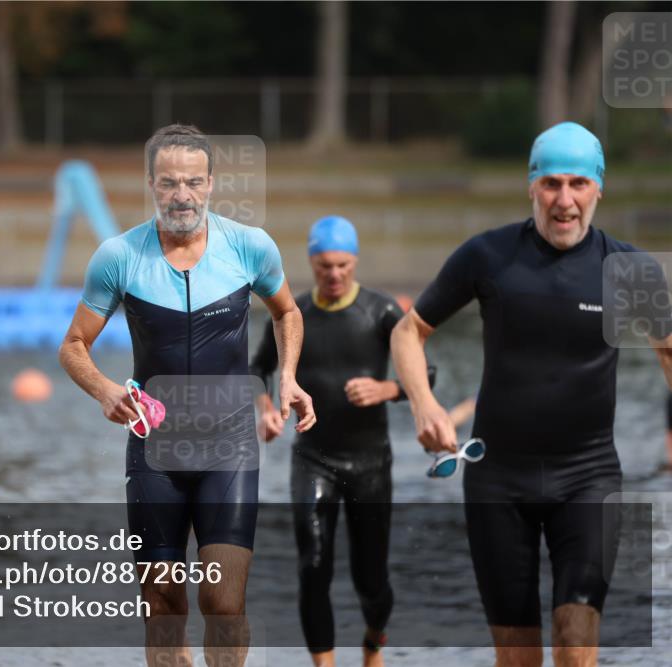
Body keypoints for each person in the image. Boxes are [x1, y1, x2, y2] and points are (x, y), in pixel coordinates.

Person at [390, 121, 672, 667]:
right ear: (531, 187)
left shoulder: (631, 269)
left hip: (588, 478)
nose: (563, 200)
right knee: (518, 658)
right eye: (550, 184)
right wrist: (424, 405)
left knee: (574, 642)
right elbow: (409, 331)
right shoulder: (488, 257)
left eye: (577, 184)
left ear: (598, 189)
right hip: (499, 481)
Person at [58, 124, 316, 667]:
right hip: (156, 452)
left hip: (230, 448)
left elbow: (287, 311)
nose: (183, 195)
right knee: (162, 602)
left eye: (193, 182)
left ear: (211, 183)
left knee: (223, 602)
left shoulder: (250, 246)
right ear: (151, 183)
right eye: (170, 182)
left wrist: (287, 376)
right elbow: (74, 346)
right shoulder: (119, 256)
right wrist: (105, 390)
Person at [250, 216, 434, 667]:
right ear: (312, 263)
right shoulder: (294, 314)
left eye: (343, 265)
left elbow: (425, 376)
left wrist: (387, 389)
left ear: (355, 262)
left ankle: (373, 643)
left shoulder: (382, 311)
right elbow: (257, 369)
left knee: (370, 581)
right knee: (313, 567)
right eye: (324, 266)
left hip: (370, 463)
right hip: (313, 460)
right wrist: (266, 410)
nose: (334, 275)